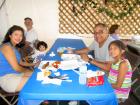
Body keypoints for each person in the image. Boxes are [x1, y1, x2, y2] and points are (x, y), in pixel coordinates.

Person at [0, 25, 39, 93]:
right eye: (16, 34)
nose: (19, 37)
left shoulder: (13, 47)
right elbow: (17, 68)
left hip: (16, 74)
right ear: (10, 35)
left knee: (38, 75)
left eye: (21, 35)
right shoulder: (7, 47)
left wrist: (34, 64)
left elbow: (20, 62)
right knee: (36, 81)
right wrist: (27, 70)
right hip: (7, 78)